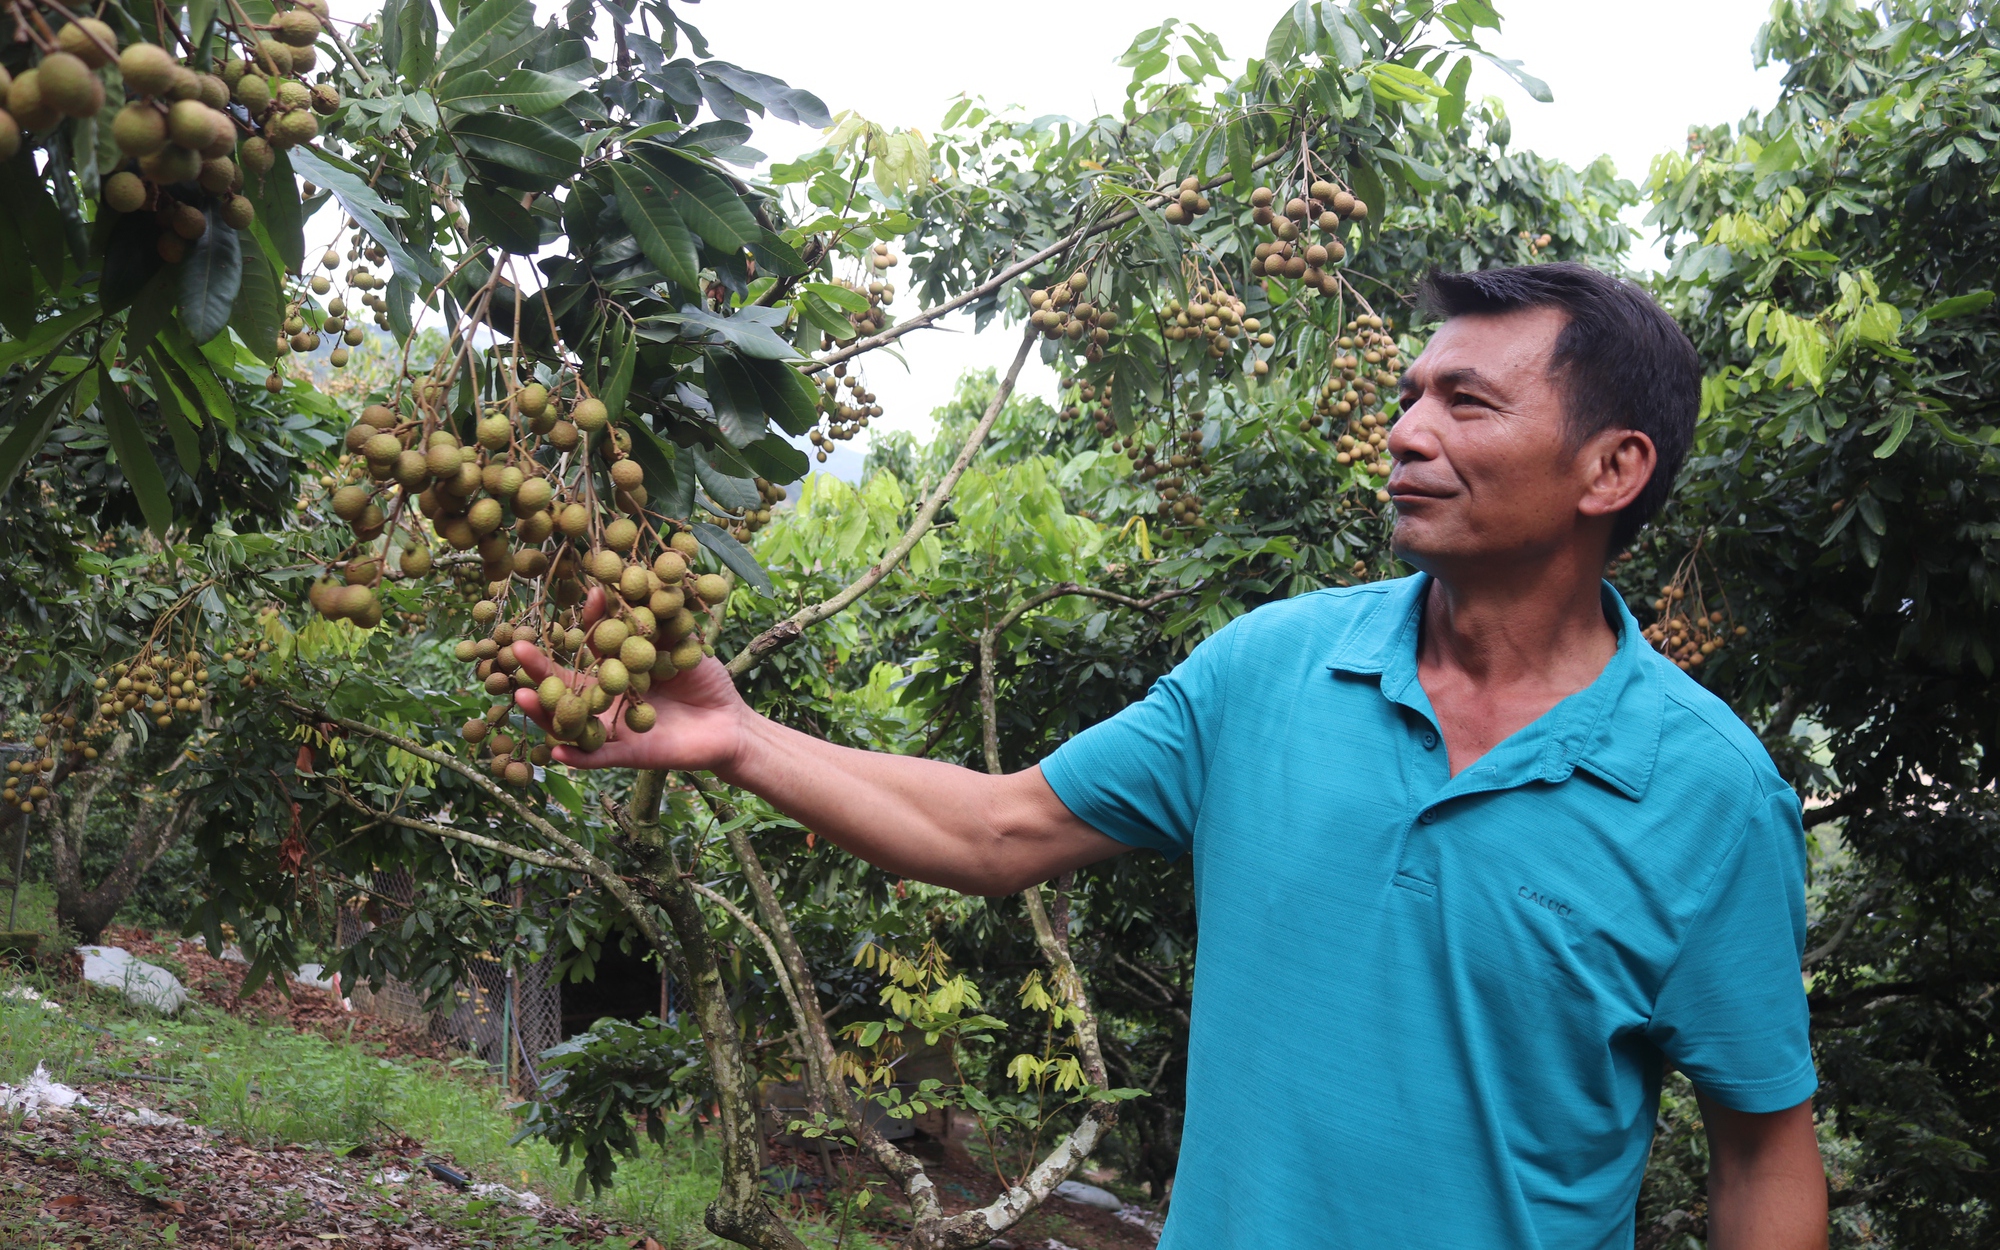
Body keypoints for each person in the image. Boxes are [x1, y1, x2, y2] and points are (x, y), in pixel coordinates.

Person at [512, 263, 1827, 1249]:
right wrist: (735, 737)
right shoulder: (1270, 672)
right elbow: (996, 830)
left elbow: (1764, 1149)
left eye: (1465, 401)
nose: (1406, 429)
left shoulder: (1708, 796)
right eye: (1409, 393)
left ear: (1613, 468)